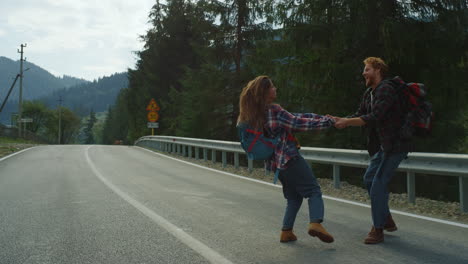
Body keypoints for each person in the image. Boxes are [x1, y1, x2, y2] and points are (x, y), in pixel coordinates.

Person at [237, 75, 335, 244]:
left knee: (294, 197)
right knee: (313, 190)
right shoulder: (274, 111)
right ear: (266, 92)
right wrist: (328, 123)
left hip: (276, 165)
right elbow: (297, 123)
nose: (276, 89)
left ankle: (286, 231)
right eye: (273, 87)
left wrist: (322, 117)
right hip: (289, 158)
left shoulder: (253, 115)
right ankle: (316, 223)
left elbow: (296, 116)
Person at [332, 57, 411, 244]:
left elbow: (375, 116)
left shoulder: (386, 89)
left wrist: (347, 122)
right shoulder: (370, 93)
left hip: (395, 145)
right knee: (369, 179)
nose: (363, 73)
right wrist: (339, 119)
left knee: (377, 184)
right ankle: (386, 219)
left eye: (367, 69)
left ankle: (378, 229)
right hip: (382, 147)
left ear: (377, 70)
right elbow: (361, 114)